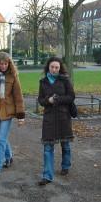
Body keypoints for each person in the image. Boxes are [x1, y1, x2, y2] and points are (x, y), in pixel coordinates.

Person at [37, 57, 75, 185]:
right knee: (48, 147)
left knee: (65, 144)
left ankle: (65, 165)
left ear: (60, 68)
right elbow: (41, 100)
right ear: (48, 67)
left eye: (56, 67)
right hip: (49, 118)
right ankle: (47, 175)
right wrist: (48, 101)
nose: (54, 69)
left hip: (63, 117)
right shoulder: (43, 82)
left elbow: (71, 97)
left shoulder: (65, 80)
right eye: (52, 67)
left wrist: (57, 99)